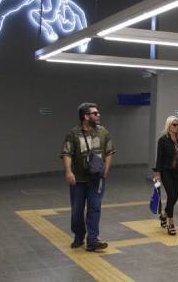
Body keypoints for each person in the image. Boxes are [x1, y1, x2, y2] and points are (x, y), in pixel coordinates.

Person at [60, 102, 114, 252]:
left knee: (95, 208)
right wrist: (69, 171)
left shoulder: (103, 132)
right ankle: (79, 236)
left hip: (97, 178)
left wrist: (106, 169)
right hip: (78, 180)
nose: (98, 115)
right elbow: (67, 153)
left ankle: (92, 240)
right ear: (86, 116)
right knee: (77, 210)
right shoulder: (73, 134)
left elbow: (109, 152)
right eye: (95, 113)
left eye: (98, 113)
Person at [153, 116, 178, 236]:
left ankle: (163, 214)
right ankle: (171, 223)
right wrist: (157, 173)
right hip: (166, 171)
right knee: (171, 195)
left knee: (175, 197)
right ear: (169, 125)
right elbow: (159, 157)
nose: (176, 127)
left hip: (177, 171)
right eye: (174, 124)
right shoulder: (163, 140)